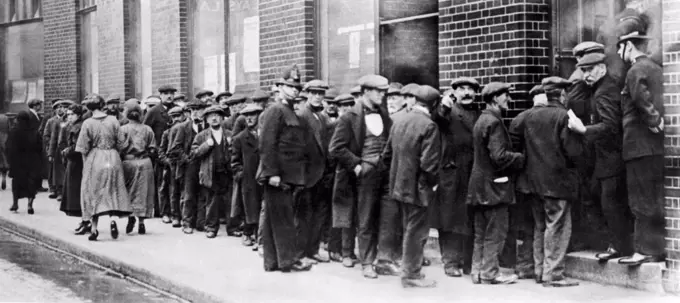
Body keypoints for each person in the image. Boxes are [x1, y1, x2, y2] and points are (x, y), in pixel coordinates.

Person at [514, 77, 584, 287]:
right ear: (562, 94)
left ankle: (539, 270)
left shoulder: (529, 116)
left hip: (533, 183)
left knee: (540, 227)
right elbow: (573, 152)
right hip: (558, 184)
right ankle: (553, 274)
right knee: (558, 227)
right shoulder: (564, 116)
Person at [567, 52, 632, 262]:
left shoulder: (604, 92)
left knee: (611, 204)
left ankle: (620, 247)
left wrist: (583, 130)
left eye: (589, 69)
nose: (585, 75)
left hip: (611, 158)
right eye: (583, 70)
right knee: (606, 201)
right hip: (606, 158)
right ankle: (617, 244)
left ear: (602, 68)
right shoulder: (601, 88)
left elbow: (611, 126)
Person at [329, 74, 393, 278]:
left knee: (385, 217)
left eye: (384, 91)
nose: (382, 95)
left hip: (384, 172)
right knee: (364, 218)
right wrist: (356, 165)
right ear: (365, 92)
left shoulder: (383, 113)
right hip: (364, 174)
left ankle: (383, 259)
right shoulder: (349, 117)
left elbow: (388, 140)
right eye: (378, 91)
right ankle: (367, 262)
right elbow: (336, 148)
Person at [382, 85, 442, 288]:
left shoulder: (398, 121)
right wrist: (432, 185)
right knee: (417, 233)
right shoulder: (429, 126)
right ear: (433, 105)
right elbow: (429, 165)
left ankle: (410, 271)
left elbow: (386, 155)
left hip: (398, 186)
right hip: (419, 189)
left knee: (408, 229)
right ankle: (411, 275)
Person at [615, 30, 664, 265]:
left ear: (629, 46)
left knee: (640, 199)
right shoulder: (656, 69)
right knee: (654, 197)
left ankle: (645, 250)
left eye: (620, 47)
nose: (617, 52)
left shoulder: (635, 70)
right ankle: (658, 248)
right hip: (654, 148)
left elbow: (640, 99)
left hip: (638, 147)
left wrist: (654, 121)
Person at [468, 82, 525, 285]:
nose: (508, 99)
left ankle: (477, 271)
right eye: (505, 95)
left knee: (480, 233)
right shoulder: (494, 122)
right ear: (494, 99)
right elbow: (499, 157)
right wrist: (520, 158)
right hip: (494, 188)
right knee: (496, 232)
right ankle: (490, 273)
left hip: (479, 187)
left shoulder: (482, 120)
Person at [257, 74, 312, 272]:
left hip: (288, 174)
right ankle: (289, 261)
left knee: (275, 220)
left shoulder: (289, 111)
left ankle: (273, 262)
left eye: (297, 87)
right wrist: (272, 173)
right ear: (280, 87)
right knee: (284, 220)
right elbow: (267, 143)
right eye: (290, 86)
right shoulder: (275, 110)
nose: (295, 90)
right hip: (278, 175)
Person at [430, 77, 481, 277]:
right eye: (462, 89)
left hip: (472, 172)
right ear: (454, 92)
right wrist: (443, 106)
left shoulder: (478, 113)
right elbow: (437, 120)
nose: (467, 93)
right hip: (451, 173)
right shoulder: (447, 112)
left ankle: (467, 261)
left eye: (470, 89)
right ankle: (450, 261)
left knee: (469, 217)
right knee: (449, 218)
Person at [76, 95, 132, 241]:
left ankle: (94, 229)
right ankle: (112, 220)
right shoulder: (113, 120)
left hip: (95, 158)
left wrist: (85, 166)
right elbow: (122, 143)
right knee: (112, 190)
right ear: (102, 105)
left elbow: (83, 147)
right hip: (113, 158)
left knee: (93, 192)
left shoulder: (87, 123)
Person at [297, 79, 333, 264]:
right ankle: (302, 252)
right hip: (307, 174)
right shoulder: (302, 115)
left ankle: (313, 249)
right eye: (314, 93)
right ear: (308, 94)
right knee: (304, 214)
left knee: (319, 213)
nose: (318, 97)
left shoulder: (322, 116)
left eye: (321, 94)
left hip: (321, 173)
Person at [168, 100, 209, 234]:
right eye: (192, 110)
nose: (196, 113)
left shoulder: (208, 127)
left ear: (205, 111)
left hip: (204, 164)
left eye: (199, 109)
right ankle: (187, 223)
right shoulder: (183, 127)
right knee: (189, 194)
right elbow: (175, 148)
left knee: (204, 194)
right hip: (188, 166)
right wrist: (187, 159)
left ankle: (201, 222)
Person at [119, 102, 157, 235]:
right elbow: (153, 148)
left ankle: (130, 217)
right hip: (145, 162)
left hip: (128, 162)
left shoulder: (123, 129)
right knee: (143, 192)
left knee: (129, 191)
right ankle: (141, 222)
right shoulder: (147, 129)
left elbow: (120, 148)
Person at [232, 104, 264, 246]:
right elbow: (234, 161)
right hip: (248, 178)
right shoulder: (240, 138)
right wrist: (241, 173)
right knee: (249, 207)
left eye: (253, 115)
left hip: (263, 175)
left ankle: (260, 236)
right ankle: (247, 233)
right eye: (247, 115)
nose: (250, 118)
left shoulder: (265, 134)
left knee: (262, 206)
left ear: (259, 115)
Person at [59, 104, 90, 234]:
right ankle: (84, 220)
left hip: (78, 164)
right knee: (76, 193)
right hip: (74, 163)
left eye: (72, 114)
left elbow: (78, 147)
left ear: (78, 115)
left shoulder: (79, 127)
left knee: (79, 193)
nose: (69, 116)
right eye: (68, 114)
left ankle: (86, 221)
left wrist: (66, 151)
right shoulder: (73, 126)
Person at [7, 111, 44, 214]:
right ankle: (30, 205)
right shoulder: (34, 132)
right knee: (31, 183)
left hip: (18, 162)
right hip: (32, 161)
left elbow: (9, 147)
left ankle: (15, 203)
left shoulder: (14, 131)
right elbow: (40, 148)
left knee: (16, 183)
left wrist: (10, 161)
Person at [158, 106, 187, 226]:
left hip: (184, 163)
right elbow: (161, 151)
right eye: (173, 117)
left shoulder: (187, 130)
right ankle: (174, 215)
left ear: (183, 116)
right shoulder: (167, 133)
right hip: (171, 165)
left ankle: (184, 215)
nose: (176, 119)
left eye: (178, 116)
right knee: (172, 191)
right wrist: (167, 161)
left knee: (184, 191)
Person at [0, 112, 10, 190]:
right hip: (4, 139)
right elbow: (9, 129)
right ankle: (3, 177)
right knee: (4, 160)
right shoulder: (5, 118)